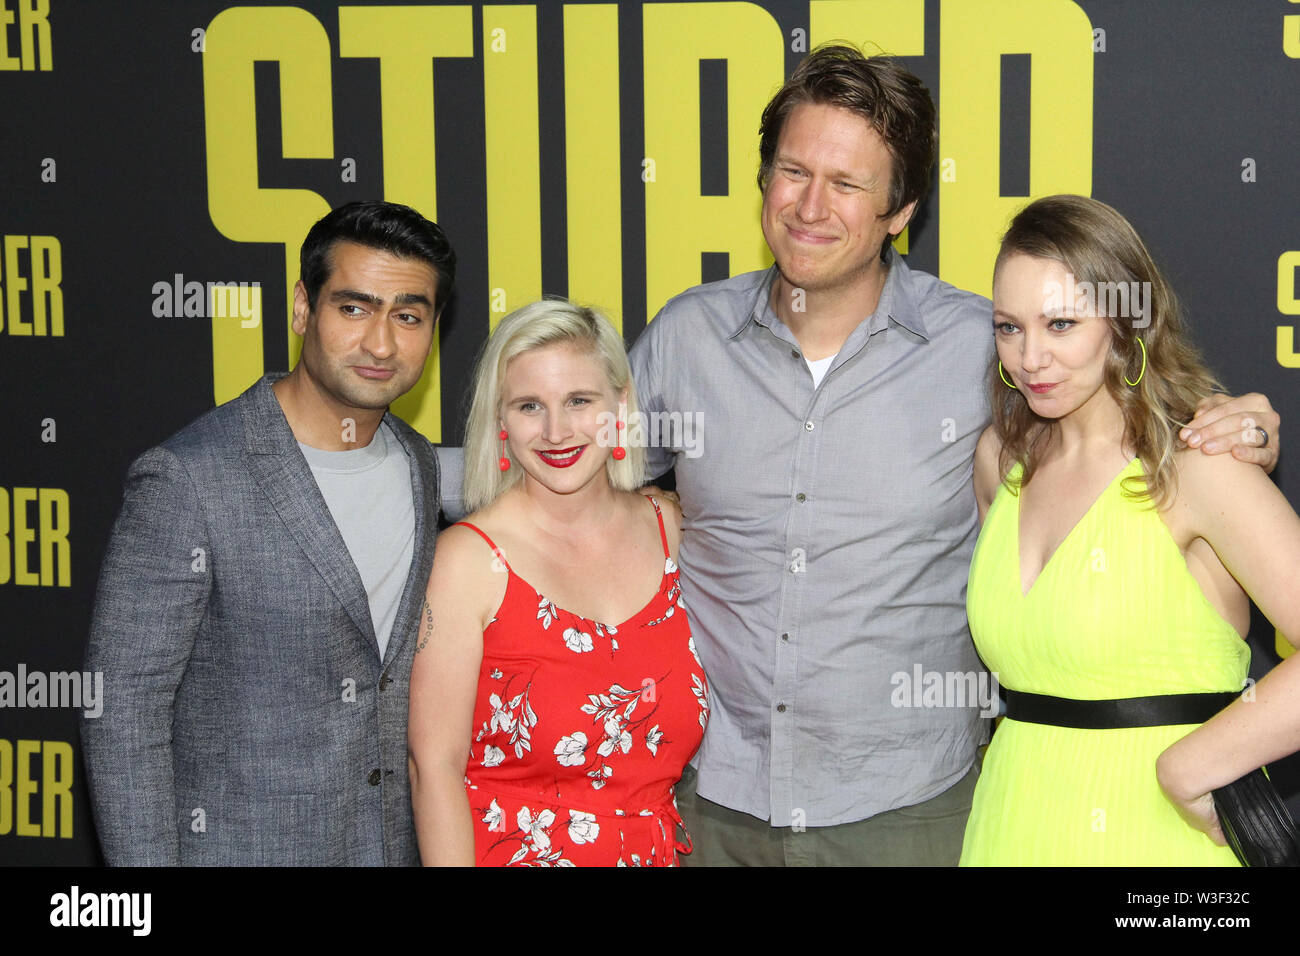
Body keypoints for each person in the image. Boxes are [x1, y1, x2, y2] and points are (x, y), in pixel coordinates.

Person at [626, 44, 1281, 866]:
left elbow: (1123, 410)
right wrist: (645, 509)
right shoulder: (686, 338)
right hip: (713, 797)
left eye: (849, 184)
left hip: (910, 810)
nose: (809, 205)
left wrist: (1235, 422)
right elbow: (571, 485)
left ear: (900, 213)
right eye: (792, 171)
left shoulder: (982, 346)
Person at [81, 200, 456, 865]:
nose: (380, 343)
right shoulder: (189, 478)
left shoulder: (418, 461)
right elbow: (122, 712)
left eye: (408, 316)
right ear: (302, 309)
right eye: (353, 307)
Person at [959, 194, 1300, 865]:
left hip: (1161, 841)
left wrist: (1192, 767)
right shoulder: (1001, 460)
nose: (1030, 359)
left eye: (1061, 324)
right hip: (1008, 829)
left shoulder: (1201, 468)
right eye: (1008, 327)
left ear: (1125, 323)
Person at [409, 299, 705, 866]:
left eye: (578, 401)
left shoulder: (671, 529)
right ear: (500, 421)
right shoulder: (468, 563)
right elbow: (433, 769)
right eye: (528, 406)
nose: (555, 431)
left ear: (619, 405)